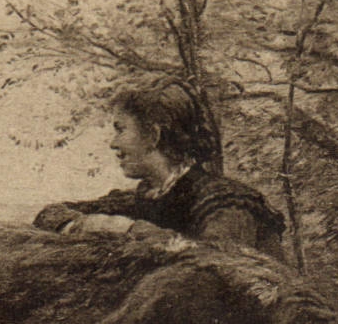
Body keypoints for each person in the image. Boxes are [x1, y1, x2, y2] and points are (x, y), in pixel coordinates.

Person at [32, 78, 286, 260]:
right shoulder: (144, 197)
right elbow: (51, 214)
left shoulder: (226, 203)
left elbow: (215, 264)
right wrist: (82, 225)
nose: (113, 144)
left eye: (121, 130)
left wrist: (128, 230)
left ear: (154, 135)